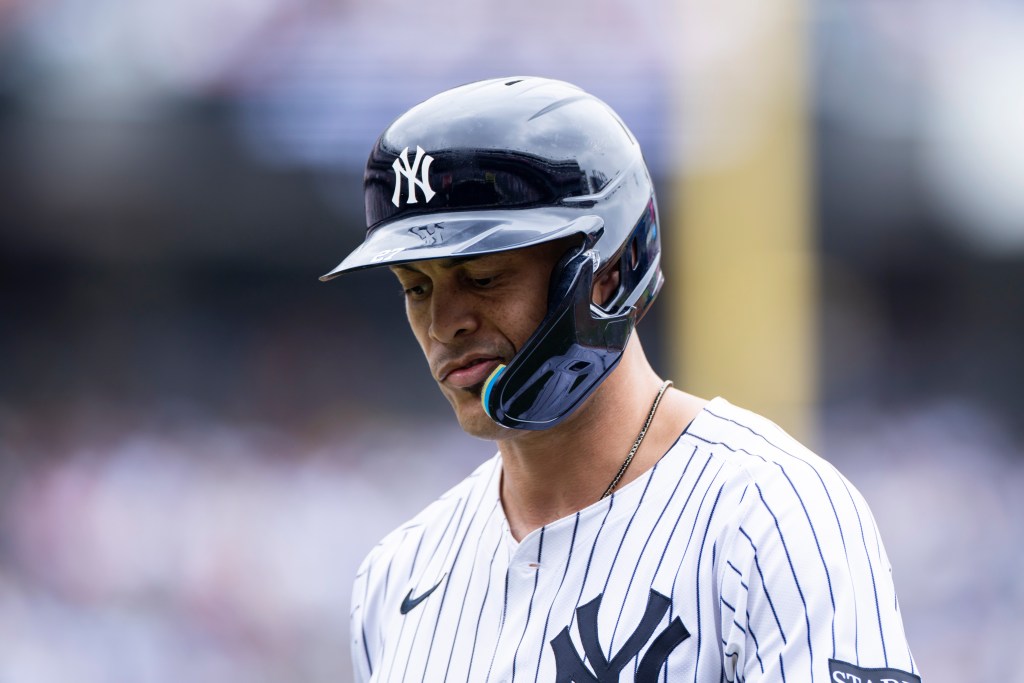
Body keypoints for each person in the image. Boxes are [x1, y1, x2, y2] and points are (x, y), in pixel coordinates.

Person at [321, 76, 920, 683]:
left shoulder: (774, 517)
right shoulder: (396, 576)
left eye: (482, 276)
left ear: (605, 274)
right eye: (416, 288)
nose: (444, 324)